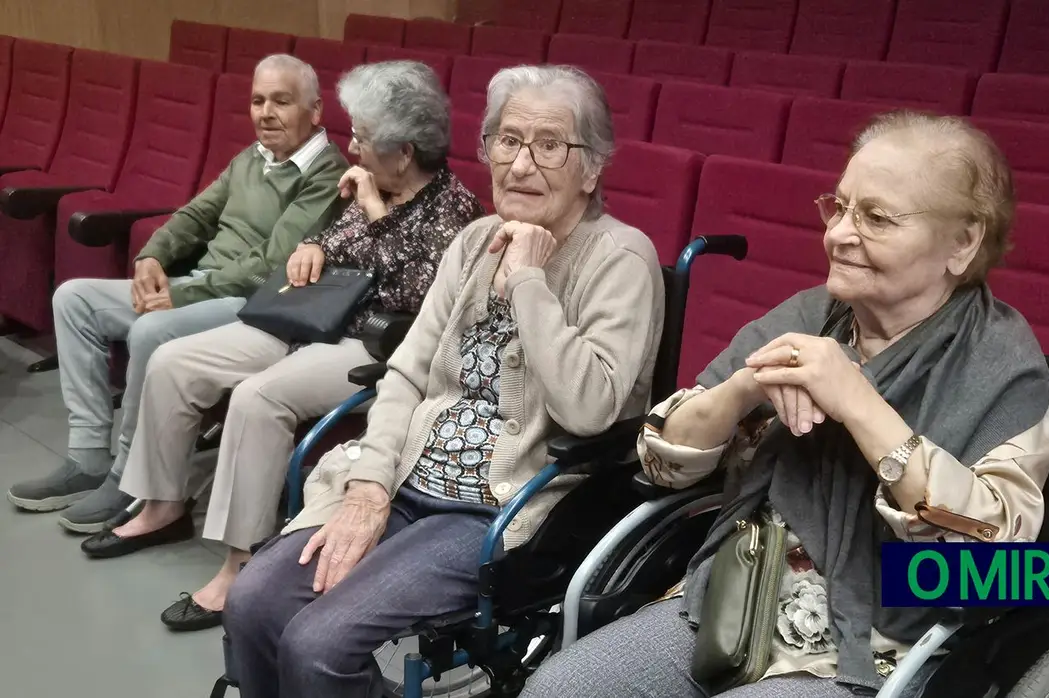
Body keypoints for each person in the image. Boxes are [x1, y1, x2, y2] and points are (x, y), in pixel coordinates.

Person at [520, 111, 1049, 698]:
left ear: (962, 242)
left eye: (876, 218)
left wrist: (859, 404)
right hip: (739, 594)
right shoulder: (809, 316)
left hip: (884, 640)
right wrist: (743, 389)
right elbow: (662, 462)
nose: (840, 234)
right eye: (840, 207)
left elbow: (985, 556)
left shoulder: (1001, 362)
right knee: (563, 686)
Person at [220, 64, 666, 697]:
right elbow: (406, 370)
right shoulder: (477, 238)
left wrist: (531, 282)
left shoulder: (620, 258)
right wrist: (369, 486)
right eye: (507, 141)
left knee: (318, 644)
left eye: (549, 145)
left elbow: (591, 409)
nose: (520, 164)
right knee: (254, 603)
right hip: (407, 479)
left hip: (501, 507)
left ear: (592, 168)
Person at [74, 61, 485, 632]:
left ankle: (240, 560)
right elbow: (328, 239)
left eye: (363, 138)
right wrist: (315, 243)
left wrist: (371, 211)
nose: (353, 147)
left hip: (376, 345)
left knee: (257, 398)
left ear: (406, 150)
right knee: (174, 362)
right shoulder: (370, 182)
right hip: (312, 319)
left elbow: (419, 295)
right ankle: (163, 505)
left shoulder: (456, 211)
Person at [6, 54, 350, 534]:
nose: (265, 112)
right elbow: (194, 215)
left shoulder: (327, 176)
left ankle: (129, 476)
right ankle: (87, 455)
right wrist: (151, 258)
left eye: (281, 101)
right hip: (201, 286)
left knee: (152, 327)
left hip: (254, 303)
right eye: (257, 100)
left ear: (315, 112)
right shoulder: (252, 158)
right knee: (74, 299)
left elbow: (271, 266)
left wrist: (182, 296)